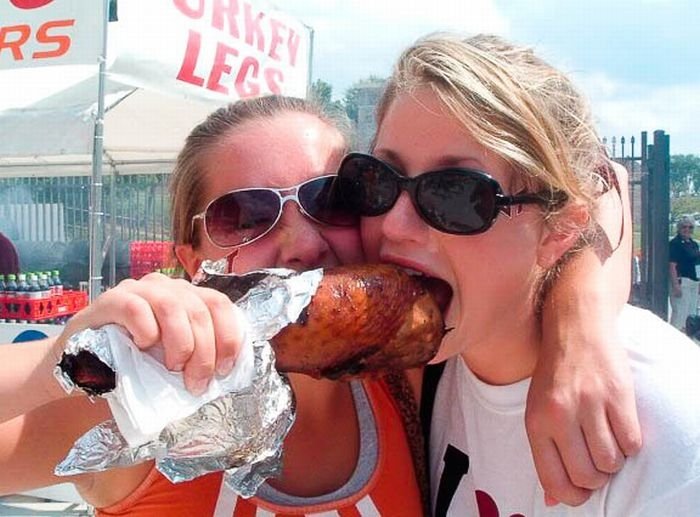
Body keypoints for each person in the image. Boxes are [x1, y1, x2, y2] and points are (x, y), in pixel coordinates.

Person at [0, 92, 638, 515]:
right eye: (245, 213)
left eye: (331, 198)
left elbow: (599, 180)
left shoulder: (414, 373)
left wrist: (580, 328)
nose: (302, 243)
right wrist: (55, 356)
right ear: (193, 257)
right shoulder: (139, 403)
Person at [335, 33, 700, 515]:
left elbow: (602, 178)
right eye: (378, 180)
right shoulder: (419, 374)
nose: (396, 226)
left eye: (457, 194)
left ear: (559, 230)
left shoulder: (670, 428)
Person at [669, 215, 700, 331]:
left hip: (694, 283)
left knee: (691, 316)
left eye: (690, 227)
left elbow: (698, 263)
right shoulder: (675, 244)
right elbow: (672, 265)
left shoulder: (694, 244)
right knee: (680, 315)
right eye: (684, 227)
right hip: (683, 282)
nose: (687, 229)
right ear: (679, 228)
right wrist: (676, 285)